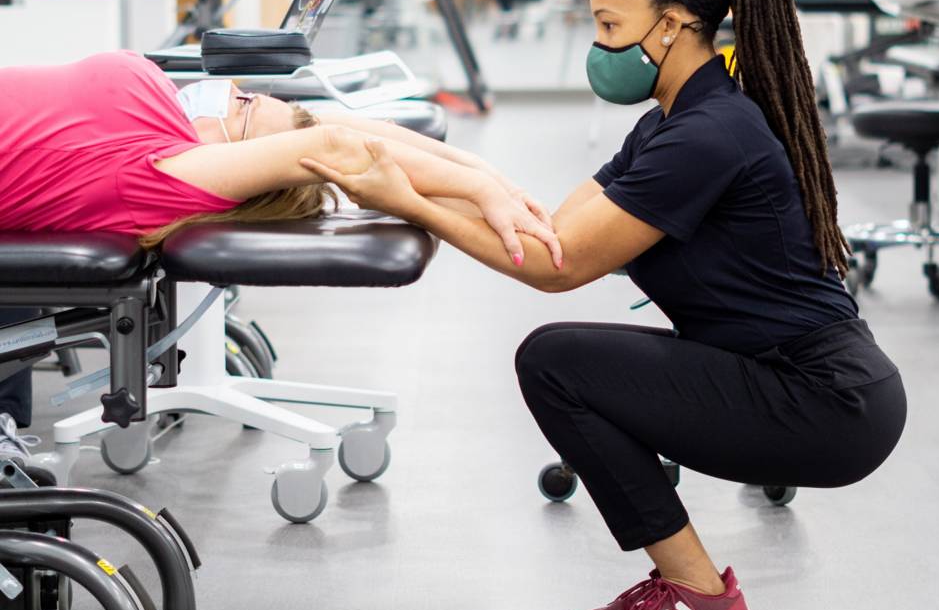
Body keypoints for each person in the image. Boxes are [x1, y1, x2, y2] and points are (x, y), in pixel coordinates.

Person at [298, 0, 908, 610]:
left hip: (826, 402)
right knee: (565, 362)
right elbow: (556, 229)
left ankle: (702, 597)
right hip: (799, 381)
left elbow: (558, 271)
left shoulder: (707, 136)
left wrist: (412, 203)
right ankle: (681, 583)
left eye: (612, 25)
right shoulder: (669, 124)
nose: (601, 46)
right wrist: (404, 161)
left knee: (557, 363)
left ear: (674, 25)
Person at [0, 49, 561, 454]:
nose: (232, 94)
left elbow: (330, 147)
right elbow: (335, 125)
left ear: (241, 169)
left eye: (242, 106)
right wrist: (494, 177)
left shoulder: (167, 169)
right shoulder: (178, 129)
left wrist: (479, 195)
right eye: (250, 98)